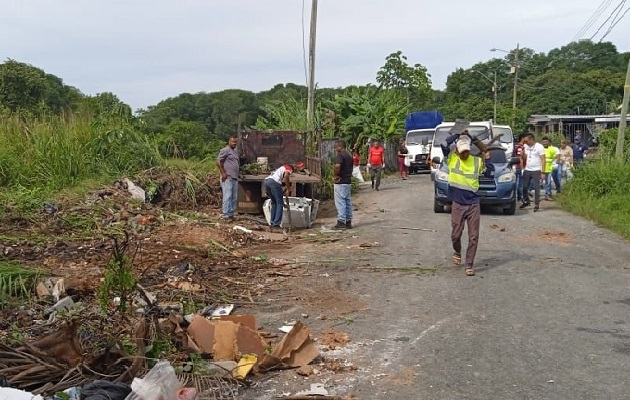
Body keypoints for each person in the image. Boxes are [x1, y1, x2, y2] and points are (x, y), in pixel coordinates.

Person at [441, 130, 494, 276]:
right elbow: (445, 143)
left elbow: (490, 173)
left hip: (473, 204)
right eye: (462, 151)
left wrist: (488, 158)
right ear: (457, 151)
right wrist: (459, 135)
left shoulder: (476, 161)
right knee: (455, 235)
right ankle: (457, 250)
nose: (465, 154)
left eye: (467, 151)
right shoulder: (452, 159)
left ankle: (469, 264)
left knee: (473, 236)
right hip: (458, 204)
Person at [264, 162, 305, 231]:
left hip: (267, 181)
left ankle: (272, 223)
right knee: (280, 204)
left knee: (274, 203)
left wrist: (285, 187)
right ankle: (276, 225)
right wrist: (288, 189)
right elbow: (286, 176)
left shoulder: (282, 167)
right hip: (274, 183)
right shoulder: (289, 168)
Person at [520, 133, 546, 212]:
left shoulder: (539, 147)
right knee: (524, 187)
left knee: (536, 187)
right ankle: (526, 200)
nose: (526, 142)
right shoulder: (525, 146)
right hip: (527, 169)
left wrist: (543, 172)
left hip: (536, 170)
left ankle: (536, 204)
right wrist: (522, 156)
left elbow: (543, 159)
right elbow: (523, 158)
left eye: (527, 141)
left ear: (532, 140)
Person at [216, 135, 240, 220]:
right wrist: (223, 173)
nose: (234, 143)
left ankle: (230, 214)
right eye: (233, 142)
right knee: (228, 195)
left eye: (235, 142)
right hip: (228, 177)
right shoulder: (225, 150)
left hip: (234, 177)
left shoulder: (235, 152)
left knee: (234, 197)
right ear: (229, 142)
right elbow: (218, 161)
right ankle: (226, 214)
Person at [332, 140, 354, 230]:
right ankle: (348, 222)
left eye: (336, 147)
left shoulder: (340, 155)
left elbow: (337, 166)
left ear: (340, 147)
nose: (335, 149)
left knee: (340, 202)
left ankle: (341, 222)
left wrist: (336, 175)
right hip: (347, 181)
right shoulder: (349, 155)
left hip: (340, 182)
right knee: (347, 202)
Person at [513, 133, 527, 203]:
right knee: (520, 183)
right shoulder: (520, 147)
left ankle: (519, 197)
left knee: (518, 183)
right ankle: (520, 197)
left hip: (517, 166)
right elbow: (519, 158)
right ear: (523, 138)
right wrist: (522, 168)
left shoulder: (519, 146)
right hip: (518, 167)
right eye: (526, 137)